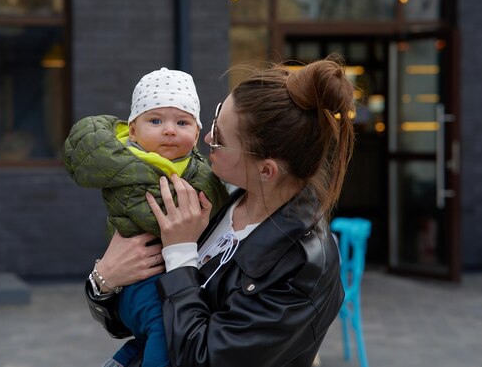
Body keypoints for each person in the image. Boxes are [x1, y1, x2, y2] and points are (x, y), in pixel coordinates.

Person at [86, 55, 355, 367]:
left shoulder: (302, 268)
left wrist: (181, 252)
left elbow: (202, 359)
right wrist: (102, 282)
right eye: (214, 121)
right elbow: (137, 322)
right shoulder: (217, 195)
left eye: (221, 140)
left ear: (266, 170)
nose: (207, 138)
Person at [63, 67, 229, 367]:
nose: (169, 130)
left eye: (182, 122)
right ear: (134, 131)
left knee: (154, 334)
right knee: (165, 325)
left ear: (197, 133)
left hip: (164, 275)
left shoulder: (197, 167)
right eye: (156, 120)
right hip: (140, 279)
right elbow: (161, 218)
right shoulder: (129, 166)